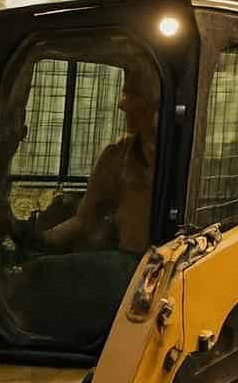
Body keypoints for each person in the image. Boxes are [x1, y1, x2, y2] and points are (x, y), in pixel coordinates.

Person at [36, 76, 159, 254]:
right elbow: (84, 221)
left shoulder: (186, 160)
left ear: (155, 102)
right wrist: (40, 239)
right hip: (128, 268)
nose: (121, 105)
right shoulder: (116, 155)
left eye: (131, 94)